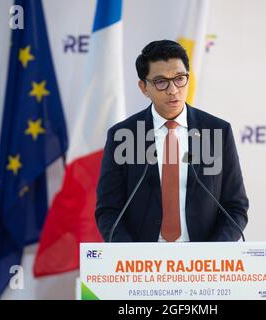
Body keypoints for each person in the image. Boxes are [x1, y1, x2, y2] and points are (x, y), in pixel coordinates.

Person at [95, 39, 249, 242]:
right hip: (142, 265)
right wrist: (132, 257)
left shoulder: (217, 131)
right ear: (144, 87)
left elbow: (235, 207)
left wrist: (213, 255)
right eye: (161, 82)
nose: (173, 90)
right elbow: (108, 210)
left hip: (204, 264)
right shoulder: (122, 136)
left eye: (179, 78)